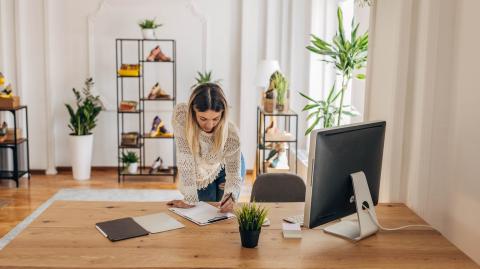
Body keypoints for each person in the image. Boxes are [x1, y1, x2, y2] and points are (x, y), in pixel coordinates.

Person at [167, 83, 246, 213]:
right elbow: (185, 158)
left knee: (221, 211)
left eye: (215, 118)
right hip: (200, 171)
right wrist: (189, 199)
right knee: (200, 210)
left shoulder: (232, 134)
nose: (209, 125)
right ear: (193, 112)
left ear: (223, 113)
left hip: (226, 165)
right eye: (203, 118)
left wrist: (231, 194)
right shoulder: (182, 118)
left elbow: (233, 175)